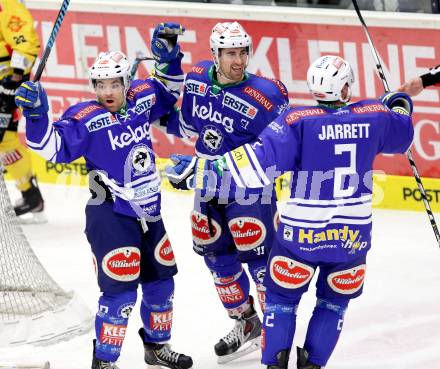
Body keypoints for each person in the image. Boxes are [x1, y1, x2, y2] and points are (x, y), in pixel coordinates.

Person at [166, 55, 414, 369]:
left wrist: (201, 170)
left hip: (301, 233)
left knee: (281, 301)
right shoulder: (374, 116)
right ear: (346, 86)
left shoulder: (296, 121)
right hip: (352, 237)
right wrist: (398, 102)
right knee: (333, 303)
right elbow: (403, 131)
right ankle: (312, 365)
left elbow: (253, 166)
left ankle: (275, 364)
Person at [15, 23, 193, 369]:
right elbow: (48, 146)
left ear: (126, 82)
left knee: (161, 284)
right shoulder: (85, 118)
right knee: (121, 292)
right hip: (110, 216)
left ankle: (156, 347)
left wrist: (170, 61)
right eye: (100, 85)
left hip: (149, 213)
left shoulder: (141, 98)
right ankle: (105, 361)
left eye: (114, 83)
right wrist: (37, 115)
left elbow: (169, 92)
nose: (107, 91)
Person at [165, 21, 289, 363]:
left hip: (250, 192)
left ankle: (276, 334)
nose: (238, 61)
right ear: (214, 54)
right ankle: (247, 324)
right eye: (230, 53)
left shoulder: (267, 94)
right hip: (207, 189)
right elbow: (185, 125)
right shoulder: (198, 79)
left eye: (242, 52)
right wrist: (168, 66)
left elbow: (283, 145)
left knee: (262, 266)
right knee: (218, 263)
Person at [0, 0, 44, 221]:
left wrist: (13, 82)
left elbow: (26, 44)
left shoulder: (8, 7)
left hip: (4, 87)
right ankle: (31, 195)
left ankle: (31, 195)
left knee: (5, 141)